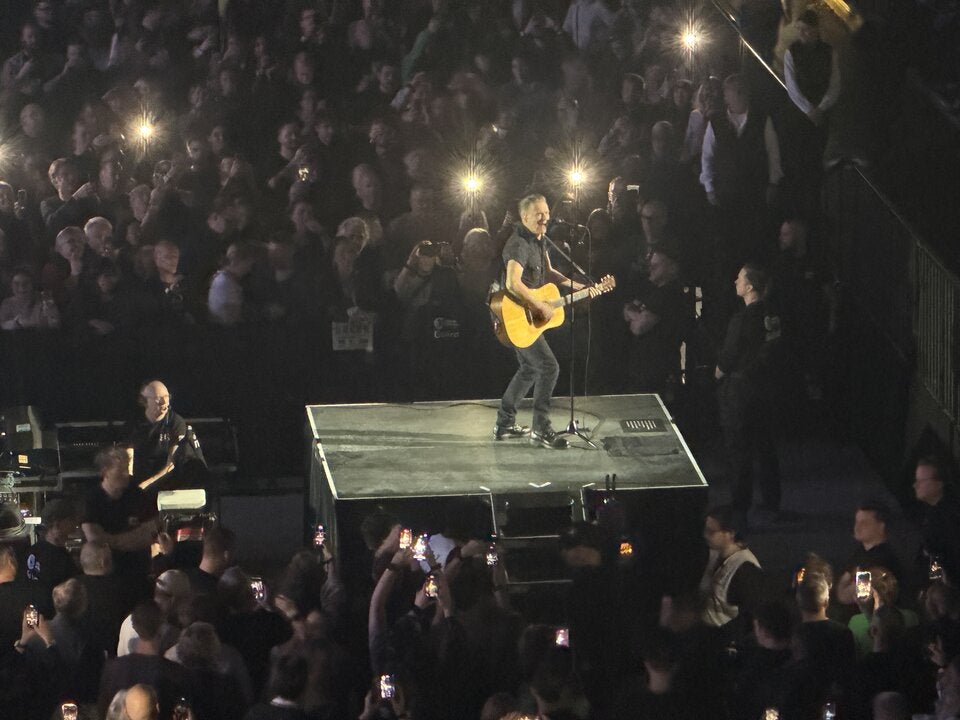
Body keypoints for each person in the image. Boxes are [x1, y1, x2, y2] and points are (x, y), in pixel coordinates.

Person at [494, 193, 588, 450]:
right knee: (548, 367)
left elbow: (550, 273)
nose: (545, 217)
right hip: (516, 315)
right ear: (525, 216)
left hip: (527, 317)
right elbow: (513, 283)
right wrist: (538, 304)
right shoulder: (518, 244)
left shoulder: (540, 240)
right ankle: (540, 428)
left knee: (529, 368)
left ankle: (504, 423)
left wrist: (580, 287)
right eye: (539, 214)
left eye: (546, 212)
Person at [715, 263, 785, 528]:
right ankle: (771, 503)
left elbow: (729, 355)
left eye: (739, 278)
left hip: (740, 391)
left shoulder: (741, 319)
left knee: (739, 450)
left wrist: (719, 372)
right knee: (766, 447)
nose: (735, 281)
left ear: (750, 286)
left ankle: (740, 507)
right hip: (765, 389)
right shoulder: (772, 316)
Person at [81, 445, 159, 594]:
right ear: (105, 471)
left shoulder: (138, 495)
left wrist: (112, 541)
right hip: (105, 579)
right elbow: (95, 541)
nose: (126, 474)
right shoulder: (91, 500)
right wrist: (134, 538)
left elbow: (150, 533)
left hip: (138, 574)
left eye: (127, 468)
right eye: (120, 470)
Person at [126, 379, 205, 491]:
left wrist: (145, 485)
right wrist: (129, 482)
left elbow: (170, 465)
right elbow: (128, 458)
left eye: (167, 396)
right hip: (142, 474)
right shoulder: (134, 423)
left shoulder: (176, 422)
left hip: (168, 480)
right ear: (144, 401)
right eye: (158, 398)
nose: (164, 402)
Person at [699, 505, 763, 631]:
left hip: (722, 636)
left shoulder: (745, 569)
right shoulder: (714, 552)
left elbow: (749, 618)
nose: (705, 535)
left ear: (730, 533)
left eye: (711, 532)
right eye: (705, 530)